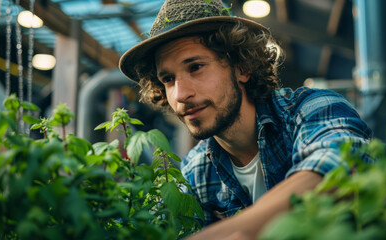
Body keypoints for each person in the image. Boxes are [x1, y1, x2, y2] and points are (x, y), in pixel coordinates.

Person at [119, 0, 372, 239]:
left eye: (195, 67)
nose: (181, 94)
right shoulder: (196, 171)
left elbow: (333, 174)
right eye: (168, 79)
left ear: (242, 67)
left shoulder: (314, 109)